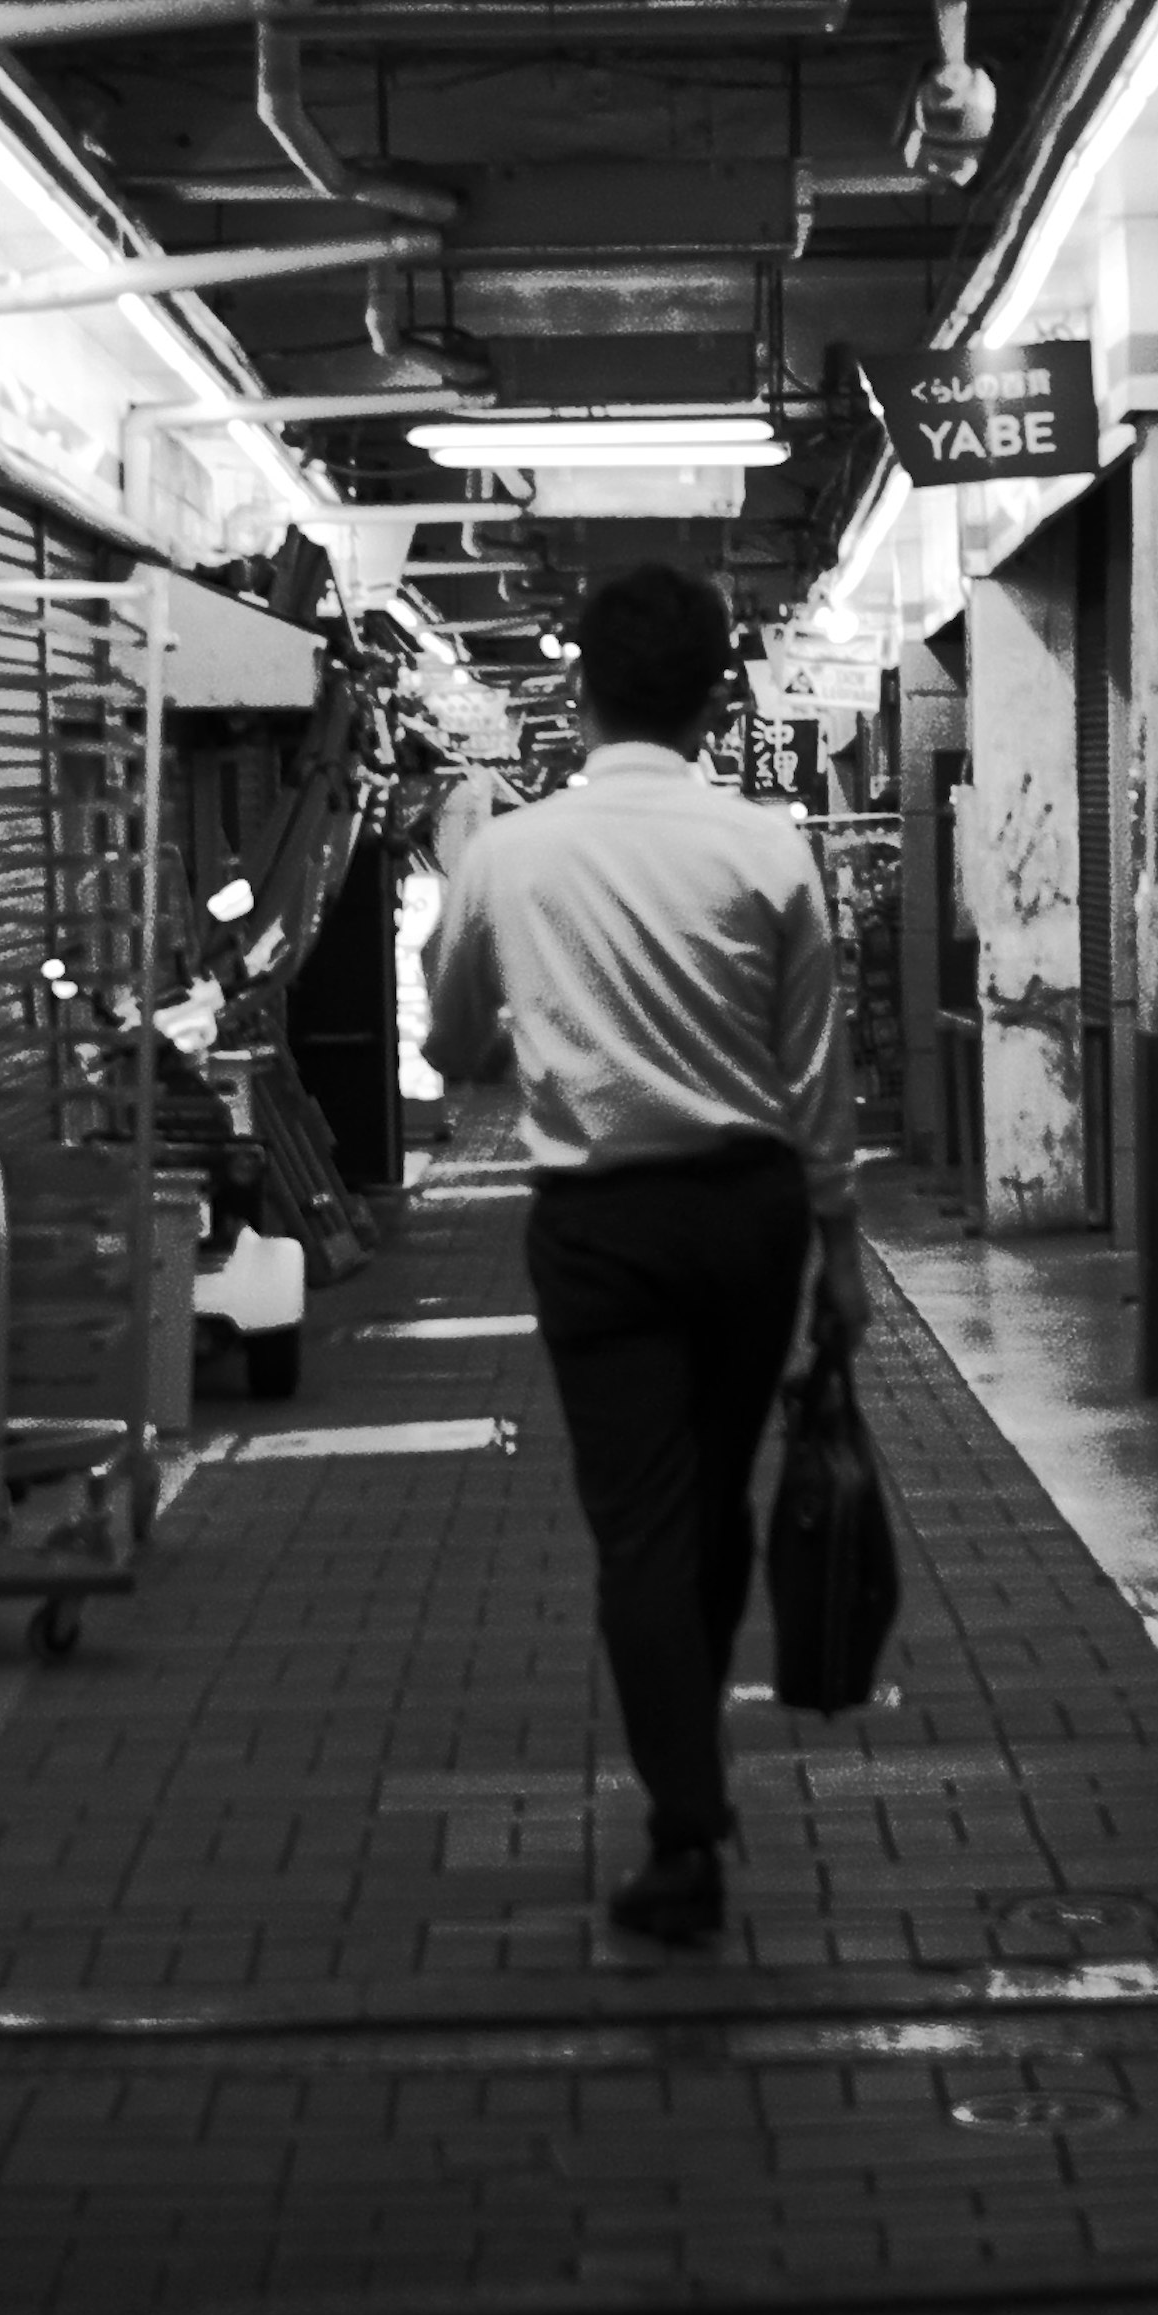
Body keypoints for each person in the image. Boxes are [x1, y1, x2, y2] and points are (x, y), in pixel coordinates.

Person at [422, 563, 869, 1945]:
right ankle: (692, 1780)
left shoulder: (506, 855)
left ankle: (688, 1829)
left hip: (599, 1233)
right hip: (751, 1220)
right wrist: (840, 1248)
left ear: (577, 691)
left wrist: (531, 1038)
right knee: (712, 1499)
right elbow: (816, 1074)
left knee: (640, 1529)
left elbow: (449, 1049)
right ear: (720, 695)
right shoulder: (767, 847)